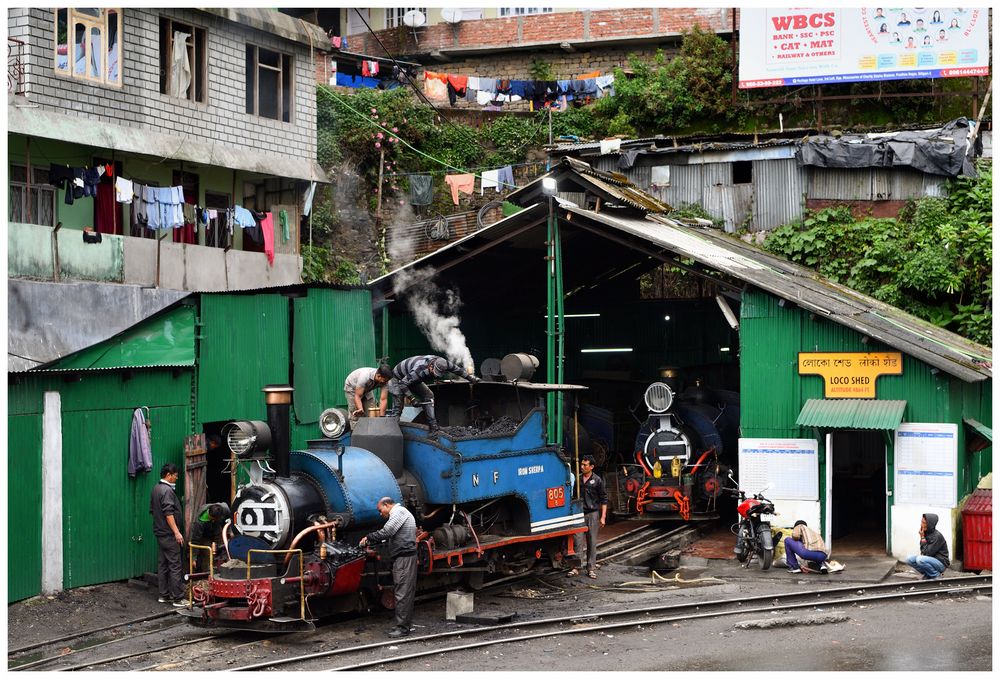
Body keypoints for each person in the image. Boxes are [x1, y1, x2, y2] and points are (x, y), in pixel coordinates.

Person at [360, 497, 418, 637]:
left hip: (404, 559)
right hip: (404, 558)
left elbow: (387, 532)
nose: (381, 514)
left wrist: (368, 538)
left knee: (402, 593)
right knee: (403, 592)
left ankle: (402, 628)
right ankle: (403, 625)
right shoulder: (401, 513)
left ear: (387, 505)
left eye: (381, 510)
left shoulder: (399, 513)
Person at [386, 355, 480, 436]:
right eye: (435, 372)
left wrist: (471, 379)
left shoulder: (444, 363)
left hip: (411, 378)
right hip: (398, 379)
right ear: (431, 366)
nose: (436, 376)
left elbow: (458, 370)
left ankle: (434, 428)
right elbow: (403, 384)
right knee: (398, 407)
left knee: (429, 395)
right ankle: (392, 432)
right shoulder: (420, 369)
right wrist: (412, 399)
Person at [150, 463, 187, 607]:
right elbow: (168, 513)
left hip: (160, 533)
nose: (176, 479)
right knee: (175, 565)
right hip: (169, 535)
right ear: (168, 475)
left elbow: (153, 511)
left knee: (163, 564)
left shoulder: (155, 489)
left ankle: (163, 595)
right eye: (175, 476)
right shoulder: (166, 491)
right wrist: (176, 532)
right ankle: (178, 598)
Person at [567, 455, 608, 580]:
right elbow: (574, 497)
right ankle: (576, 567)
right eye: (582, 464)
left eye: (585, 465)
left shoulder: (597, 480)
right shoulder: (578, 480)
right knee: (577, 541)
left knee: (592, 541)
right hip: (580, 514)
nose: (582, 467)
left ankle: (591, 568)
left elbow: (604, 499)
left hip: (592, 514)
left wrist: (603, 517)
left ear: (591, 467)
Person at [906, 513, 950, 579]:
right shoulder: (926, 533)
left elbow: (927, 553)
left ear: (930, 524)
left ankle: (936, 575)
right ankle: (928, 574)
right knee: (909, 559)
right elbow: (923, 551)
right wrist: (922, 538)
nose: (921, 525)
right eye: (921, 522)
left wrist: (922, 538)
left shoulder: (937, 536)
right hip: (930, 560)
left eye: (924, 523)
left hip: (941, 563)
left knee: (920, 559)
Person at [190, 502, 229, 573]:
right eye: (212, 518)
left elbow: (230, 518)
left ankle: (225, 568)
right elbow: (195, 540)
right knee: (208, 551)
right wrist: (193, 558)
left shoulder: (224, 509)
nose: (213, 520)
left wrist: (230, 531)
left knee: (224, 547)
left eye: (215, 519)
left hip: (217, 530)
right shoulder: (199, 522)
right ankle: (207, 572)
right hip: (204, 535)